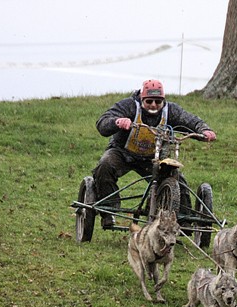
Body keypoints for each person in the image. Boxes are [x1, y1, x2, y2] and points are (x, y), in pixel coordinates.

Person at [93, 79, 217, 228]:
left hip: (154, 157)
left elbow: (191, 121)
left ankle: (183, 221)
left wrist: (204, 130)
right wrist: (117, 122)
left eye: (158, 101)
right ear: (141, 99)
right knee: (105, 165)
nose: (153, 105)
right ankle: (108, 212)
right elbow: (103, 122)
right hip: (123, 152)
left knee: (177, 179)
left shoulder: (171, 110)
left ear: (163, 101)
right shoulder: (129, 106)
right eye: (149, 101)